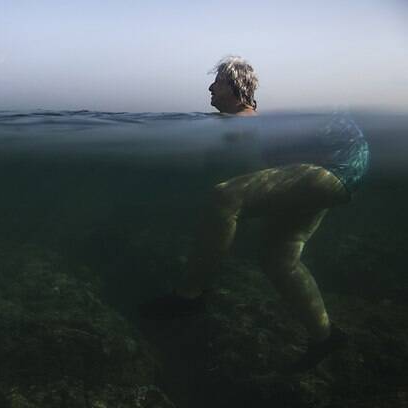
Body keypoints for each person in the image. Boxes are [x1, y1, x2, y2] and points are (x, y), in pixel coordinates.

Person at [140, 56, 370, 371]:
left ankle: (190, 295)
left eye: (217, 82)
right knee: (277, 258)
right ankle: (324, 336)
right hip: (340, 173)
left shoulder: (249, 120)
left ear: (235, 87)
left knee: (225, 196)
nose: (209, 87)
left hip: (334, 168)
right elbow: (267, 176)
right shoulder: (257, 122)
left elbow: (246, 185)